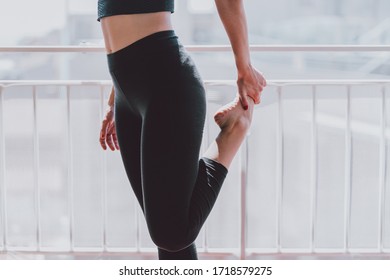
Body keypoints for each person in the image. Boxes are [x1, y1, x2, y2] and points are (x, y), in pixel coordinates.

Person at [98, 0, 266, 260]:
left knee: (172, 234)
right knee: (168, 237)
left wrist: (244, 69)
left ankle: (235, 128)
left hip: (166, 83)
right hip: (126, 91)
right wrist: (115, 96)